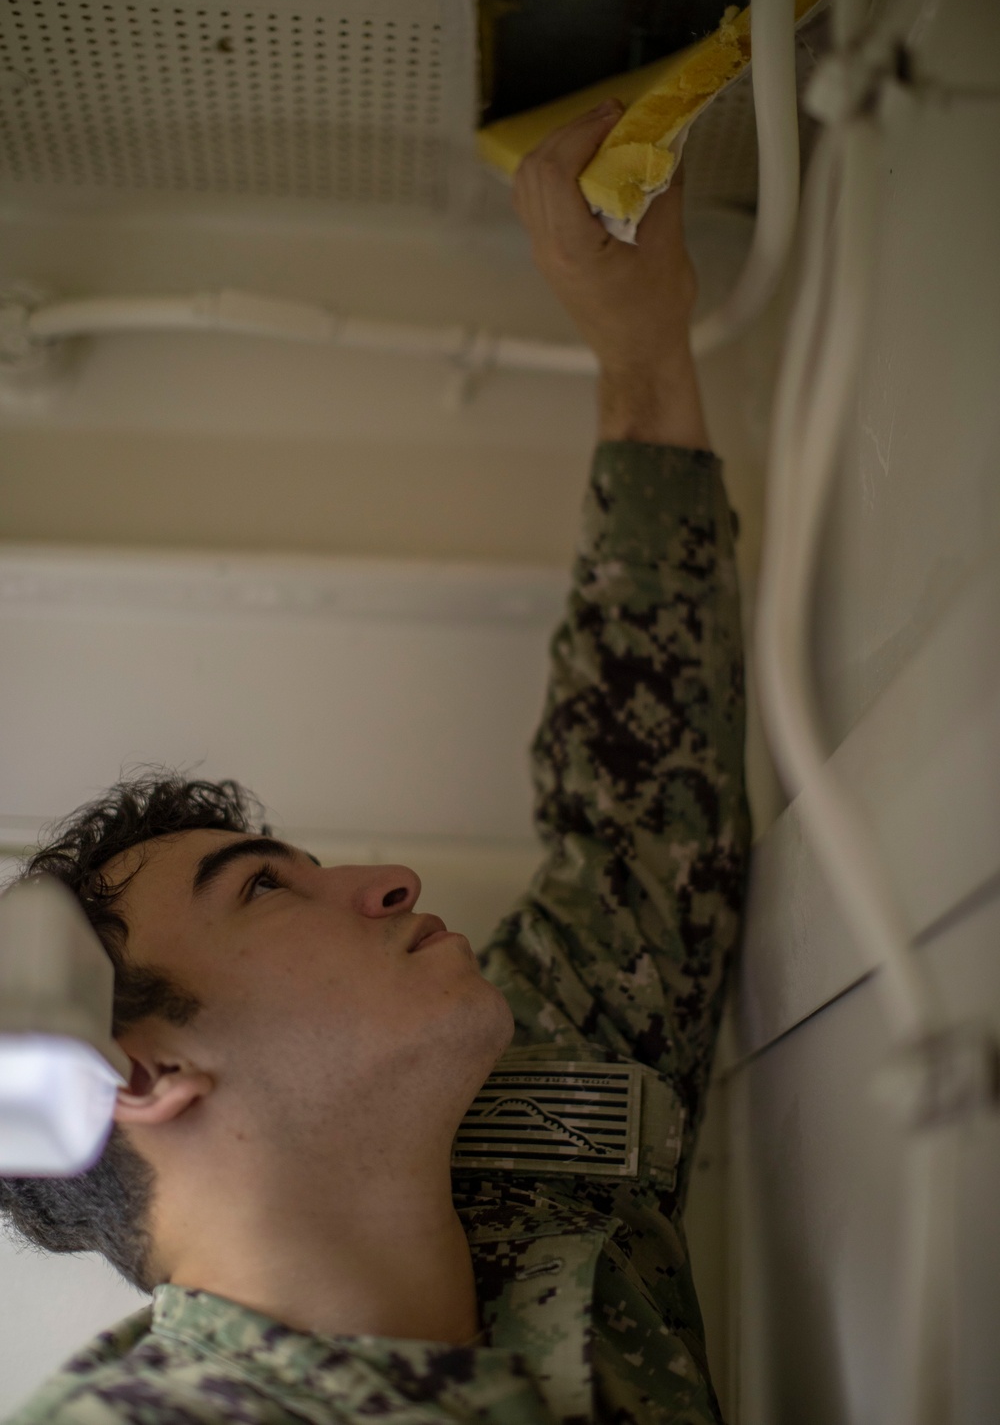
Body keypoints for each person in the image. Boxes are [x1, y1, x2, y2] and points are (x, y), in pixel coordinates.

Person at [0, 100, 750, 1425]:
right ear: (139, 1076)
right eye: (265, 891)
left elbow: (639, 808)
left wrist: (639, 350)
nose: (390, 881)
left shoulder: (538, 1157)